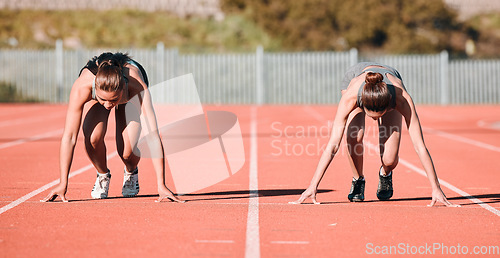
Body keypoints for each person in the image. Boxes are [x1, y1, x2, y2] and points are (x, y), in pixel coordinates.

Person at [291, 62, 459, 207]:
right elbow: (333, 144)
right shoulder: (351, 98)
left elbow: (419, 146)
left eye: (378, 117)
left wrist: (435, 187)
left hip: (389, 86)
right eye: (371, 116)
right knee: (353, 136)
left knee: (390, 159)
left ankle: (385, 173)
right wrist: (313, 186)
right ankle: (358, 180)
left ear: (388, 107)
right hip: (356, 79)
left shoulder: (401, 99)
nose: (373, 120)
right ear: (362, 105)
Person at [41, 52, 184, 203]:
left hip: (128, 97)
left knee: (127, 152)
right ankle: (102, 174)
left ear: (122, 88)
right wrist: (63, 183)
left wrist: (161, 184)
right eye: (103, 100)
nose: (108, 105)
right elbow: (69, 137)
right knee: (92, 138)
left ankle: (131, 170)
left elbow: (153, 135)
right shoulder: (82, 87)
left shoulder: (136, 86)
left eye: (113, 100)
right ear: (95, 89)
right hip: (105, 92)